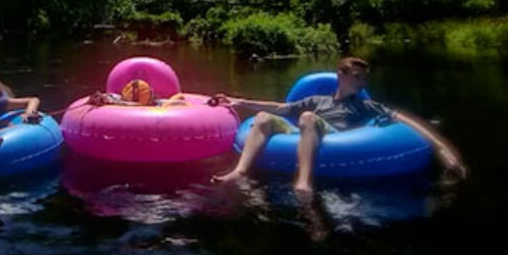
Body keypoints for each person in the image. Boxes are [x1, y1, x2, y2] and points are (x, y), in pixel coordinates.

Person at [211, 56, 467, 192]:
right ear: (340, 76)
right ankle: (240, 172)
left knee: (308, 118)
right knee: (264, 118)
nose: (362, 83)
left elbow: (405, 120)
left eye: (365, 79)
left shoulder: (365, 105)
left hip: (333, 134)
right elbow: (279, 108)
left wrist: (442, 149)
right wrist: (238, 101)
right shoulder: (317, 99)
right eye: (357, 77)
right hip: (308, 127)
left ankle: (303, 181)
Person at [86, 79, 188, 107]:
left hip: (150, 104)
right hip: (154, 107)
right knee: (180, 99)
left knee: (180, 98)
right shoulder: (136, 106)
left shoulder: (122, 99)